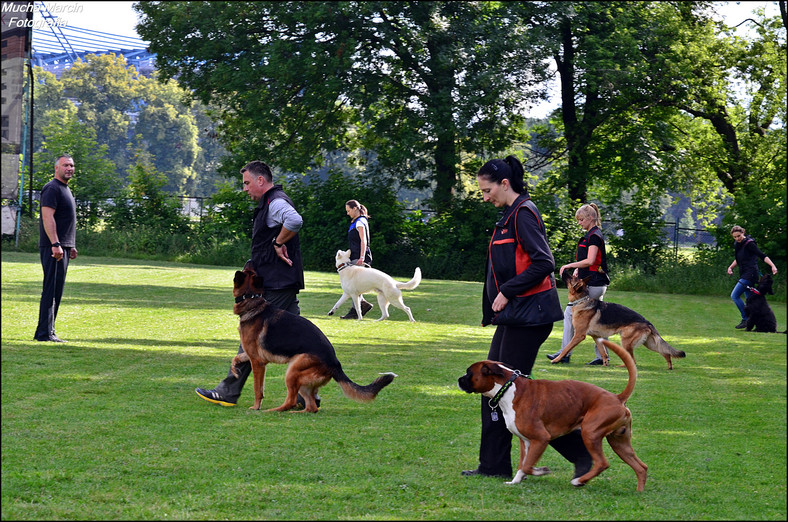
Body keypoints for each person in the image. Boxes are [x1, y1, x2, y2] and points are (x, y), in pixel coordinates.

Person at [462, 155, 592, 480]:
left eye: (487, 189)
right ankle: (493, 465)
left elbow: (543, 262)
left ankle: (579, 454)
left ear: (504, 184)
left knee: (505, 391)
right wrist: (491, 307)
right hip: (514, 317)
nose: (485, 196)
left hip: (529, 317)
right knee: (494, 389)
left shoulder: (523, 214)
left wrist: (506, 291)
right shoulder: (508, 216)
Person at [195, 160, 306, 407]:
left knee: (250, 335)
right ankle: (306, 397)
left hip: (278, 284)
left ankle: (227, 391)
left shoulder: (275, 202)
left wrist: (278, 244)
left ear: (260, 180)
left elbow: (295, 221)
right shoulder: (271, 202)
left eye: (247, 183)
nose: (245, 188)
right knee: (300, 338)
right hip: (283, 282)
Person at [547, 203, 610, 365]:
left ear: (590, 218)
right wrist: (578, 272)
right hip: (592, 281)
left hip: (595, 284)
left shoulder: (595, 236)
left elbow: (590, 260)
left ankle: (565, 353)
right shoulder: (590, 235)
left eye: (581, 219)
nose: (579, 223)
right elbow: (590, 262)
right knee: (597, 320)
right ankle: (601, 356)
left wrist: (570, 266)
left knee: (570, 314)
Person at [34, 154, 79, 343]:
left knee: (57, 290)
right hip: (54, 247)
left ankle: (49, 331)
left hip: (63, 246)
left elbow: (64, 220)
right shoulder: (52, 188)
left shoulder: (65, 188)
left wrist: (70, 245)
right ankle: (44, 334)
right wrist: (56, 243)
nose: (69, 168)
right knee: (51, 289)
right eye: (65, 165)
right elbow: (47, 217)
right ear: (56, 168)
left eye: (72, 165)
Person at [727, 225, 778, 329]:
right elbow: (738, 258)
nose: (737, 238)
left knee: (734, 296)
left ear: (743, 233)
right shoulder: (737, 244)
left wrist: (773, 266)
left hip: (750, 274)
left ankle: (745, 319)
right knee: (750, 301)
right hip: (744, 273)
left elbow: (762, 256)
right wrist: (730, 267)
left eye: (739, 236)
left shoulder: (750, 244)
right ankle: (754, 322)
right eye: (735, 237)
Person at [339, 199, 374, 319]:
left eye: (348, 210)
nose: (347, 213)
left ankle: (355, 312)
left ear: (355, 209)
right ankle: (362, 305)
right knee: (354, 285)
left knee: (354, 286)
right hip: (355, 256)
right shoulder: (357, 222)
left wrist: (362, 257)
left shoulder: (360, 222)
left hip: (360, 257)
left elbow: (363, 241)